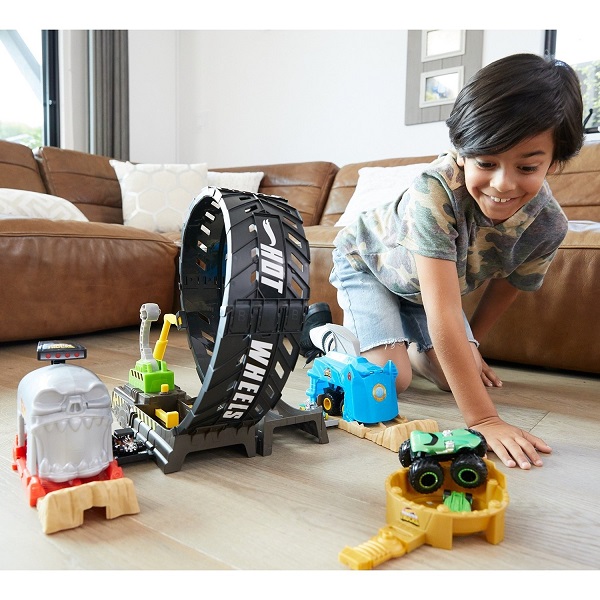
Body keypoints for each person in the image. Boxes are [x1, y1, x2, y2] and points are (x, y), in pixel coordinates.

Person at [329, 53, 584, 470]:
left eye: (527, 166)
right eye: (486, 163)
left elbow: (509, 285)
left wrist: (472, 346)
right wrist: (484, 420)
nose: (503, 184)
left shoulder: (548, 225)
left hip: (423, 292)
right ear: (461, 153)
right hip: (369, 266)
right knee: (392, 380)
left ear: (554, 162)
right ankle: (325, 338)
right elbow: (444, 310)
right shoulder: (435, 191)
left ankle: (412, 345)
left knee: (454, 379)